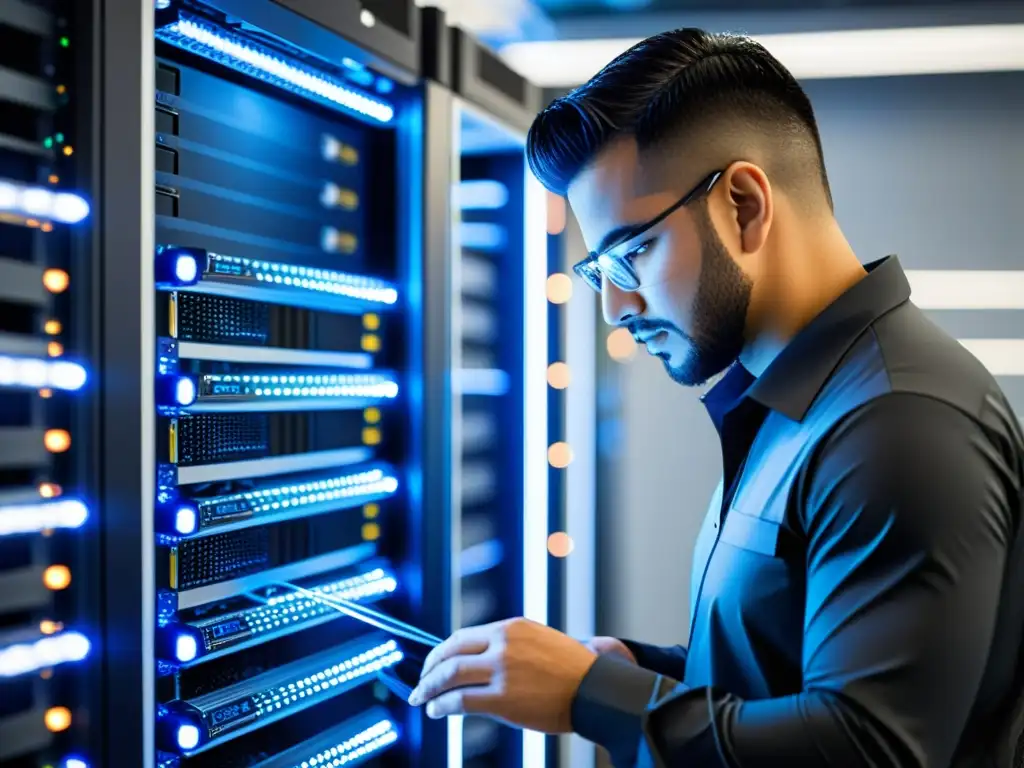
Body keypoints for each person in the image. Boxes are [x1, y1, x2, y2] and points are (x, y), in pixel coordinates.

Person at [408, 27, 1024, 767]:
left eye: (632, 253)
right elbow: (789, 671)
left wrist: (592, 698)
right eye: (600, 270)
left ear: (742, 204)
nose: (615, 307)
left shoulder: (900, 424)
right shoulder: (804, 405)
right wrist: (630, 674)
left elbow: (871, 748)